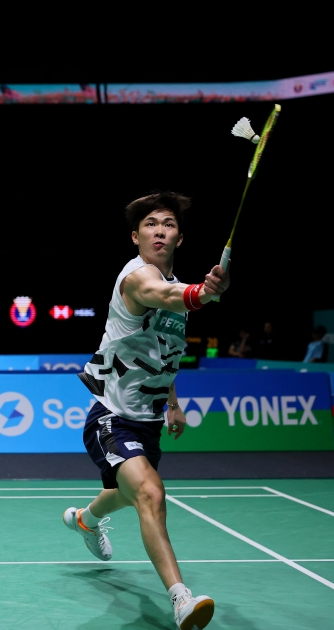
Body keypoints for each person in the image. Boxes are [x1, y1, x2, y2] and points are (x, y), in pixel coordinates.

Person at [68, 192, 229, 630]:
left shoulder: (172, 288)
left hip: (149, 418)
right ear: (135, 236)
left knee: (129, 494)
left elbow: (163, 352)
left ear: (180, 236)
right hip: (110, 415)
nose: (160, 230)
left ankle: (85, 519)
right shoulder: (138, 279)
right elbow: (169, 295)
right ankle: (181, 599)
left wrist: (173, 405)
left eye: (169, 224)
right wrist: (202, 292)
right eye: (152, 224)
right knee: (152, 494)